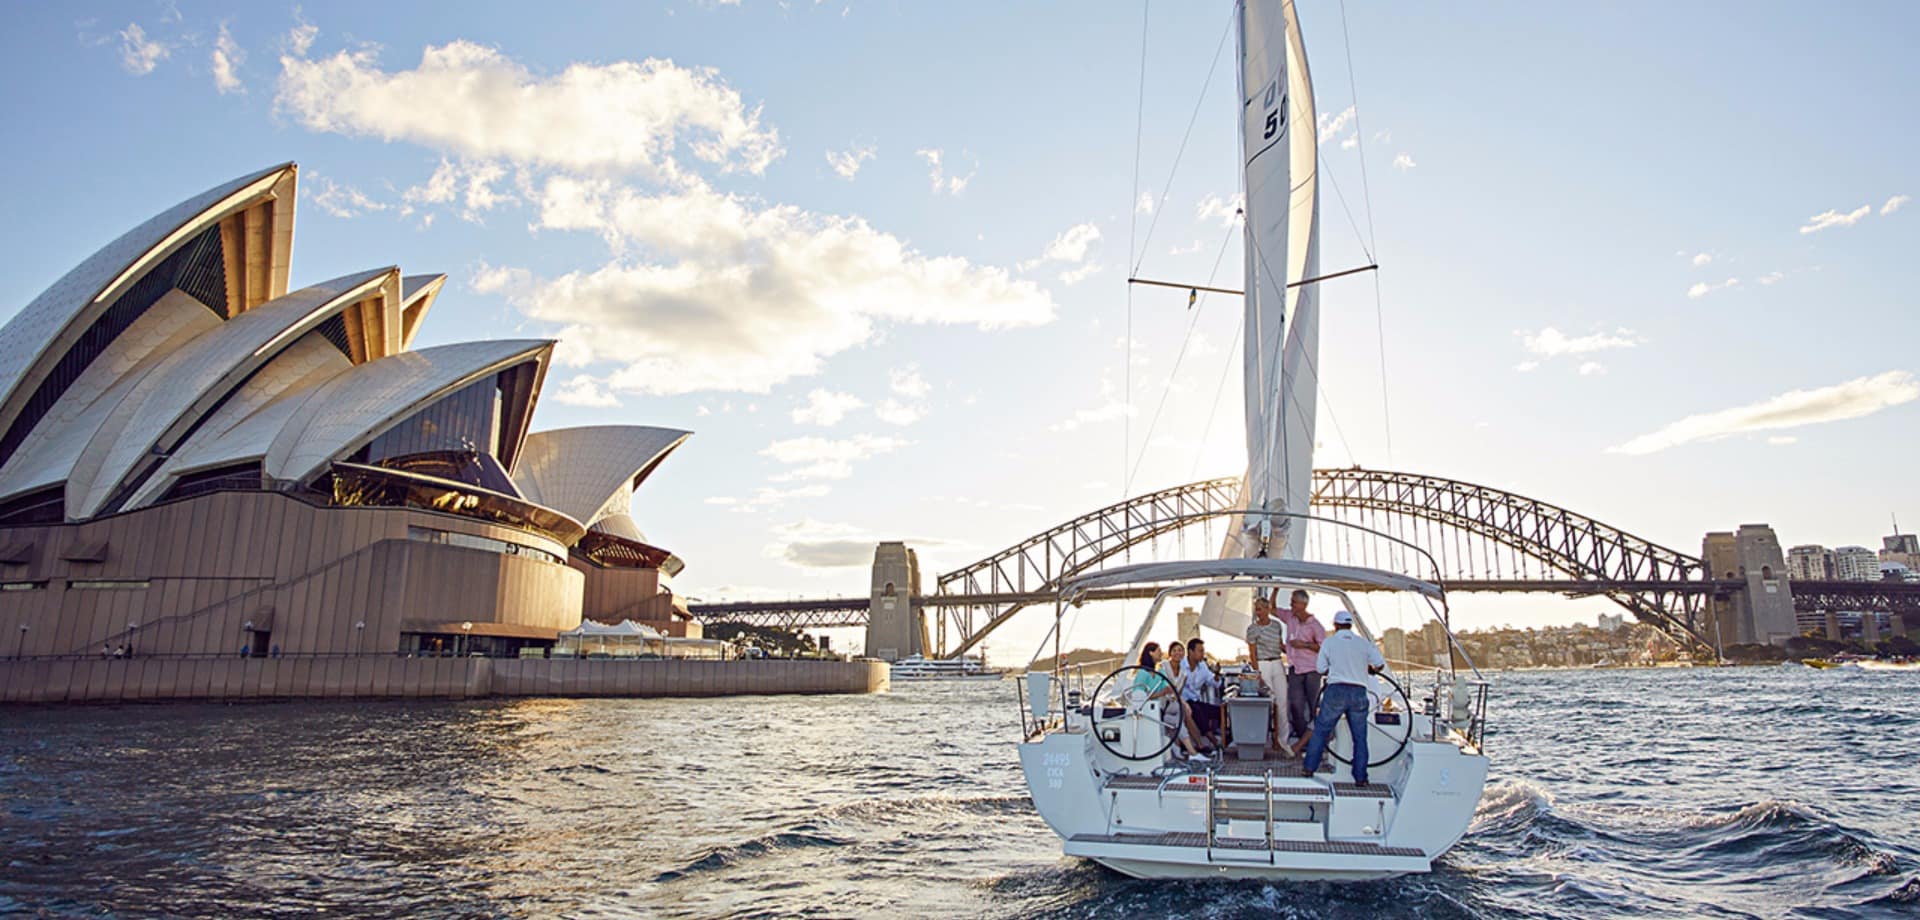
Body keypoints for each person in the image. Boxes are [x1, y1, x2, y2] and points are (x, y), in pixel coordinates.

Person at [1301, 610, 1388, 786]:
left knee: (1321, 731)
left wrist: (1334, 670)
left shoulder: (1329, 643)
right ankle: (1361, 778)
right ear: (1351, 625)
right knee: (1360, 737)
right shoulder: (1363, 644)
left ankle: (1309, 768)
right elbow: (1380, 664)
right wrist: (1368, 670)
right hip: (1358, 692)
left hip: (1336, 691)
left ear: (1335, 625)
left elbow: (1320, 669)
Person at [1133, 643, 1208, 761]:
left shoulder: (1160, 672)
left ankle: (1184, 750)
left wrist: (1183, 702)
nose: (1161, 653)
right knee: (1178, 720)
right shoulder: (1142, 674)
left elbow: (1170, 690)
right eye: (1158, 651)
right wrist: (1161, 693)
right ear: (1151, 653)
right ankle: (1190, 751)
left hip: (1160, 711)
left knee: (1179, 716)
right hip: (1148, 714)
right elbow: (1138, 698)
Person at [1282, 589, 1328, 748]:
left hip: (1312, 670)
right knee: (1295, 705)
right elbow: (1272, 609)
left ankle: (1318, 741)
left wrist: (1304, 645)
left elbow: (1323, 647)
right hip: (1295, 668)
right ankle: (1304, 740)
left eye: (1293, 601)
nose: (1291, 604)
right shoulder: (1290, 617)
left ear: (1303, 604)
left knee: (1314, 705)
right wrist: (1274, 590)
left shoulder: (1315, 625)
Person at [1244, 593, 1290, 752]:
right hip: (1262, 664)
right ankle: (1265, 739)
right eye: (1257, 610)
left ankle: (1282, 740)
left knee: (1282, 702)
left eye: (1261, 609)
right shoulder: (1252, 629)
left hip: (1277, 662)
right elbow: (1252, 653)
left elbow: (1281, 645)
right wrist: (1257, 674)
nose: (1259, 613)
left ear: (1268, 609)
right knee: (1267, 703)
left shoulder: (1276, 625)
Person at [1181, 639, 1225, 751]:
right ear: (1191, 652)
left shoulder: (1203, 666)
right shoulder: (1181, 665)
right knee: (1197, 710)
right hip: (1183, 701)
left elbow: (1214, 683)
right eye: (1200, 651)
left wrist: (1216, 674)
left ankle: (1225, 737)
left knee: (1220, 711)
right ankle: (1213, 740)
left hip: (1196, 701)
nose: (1203, 654)